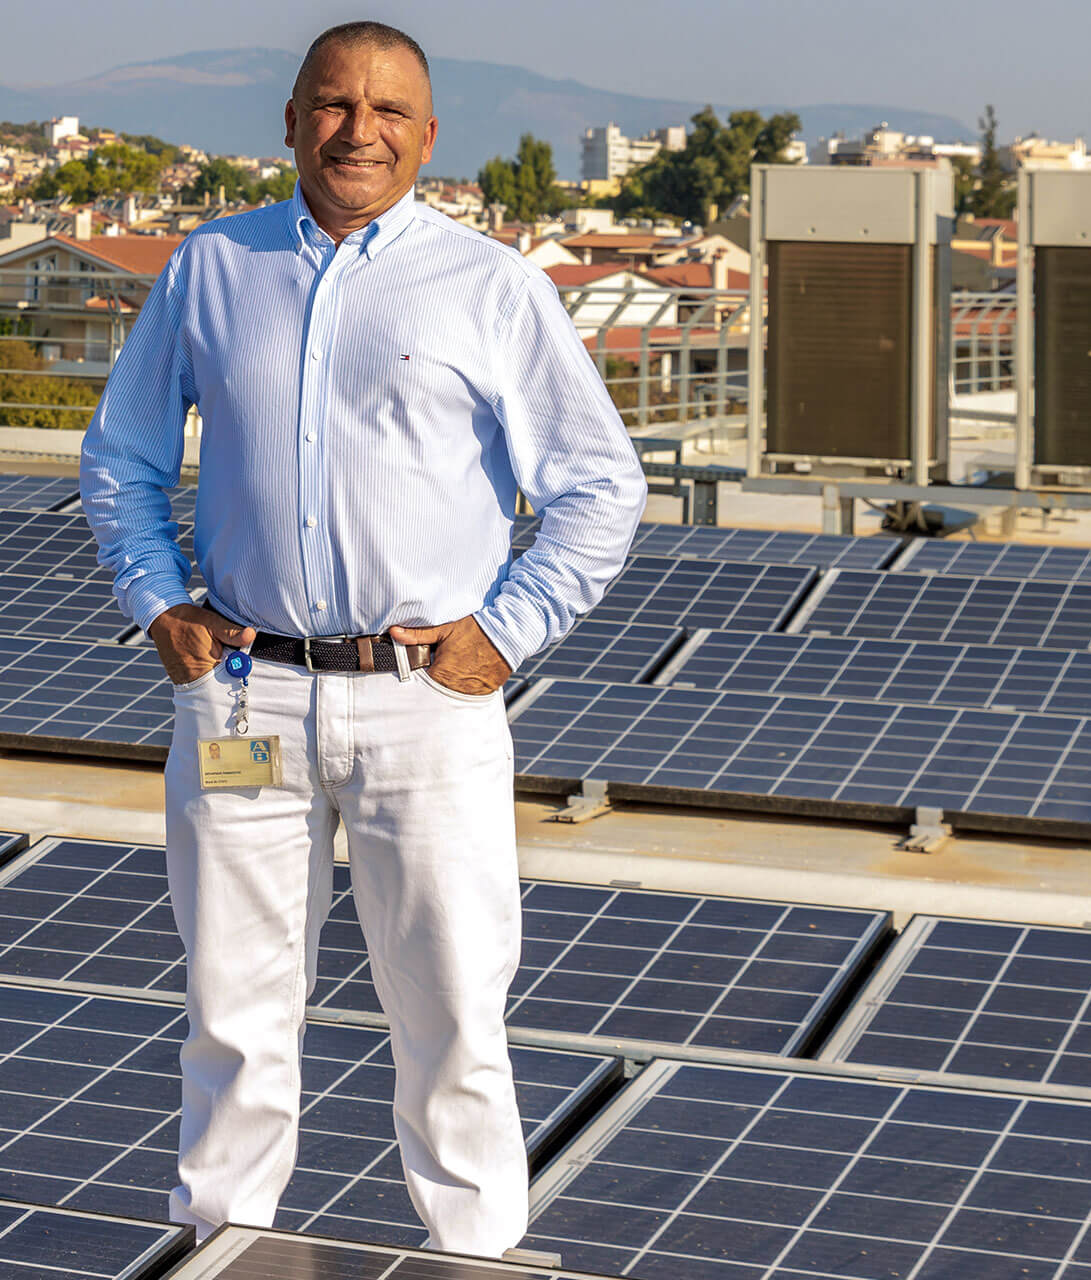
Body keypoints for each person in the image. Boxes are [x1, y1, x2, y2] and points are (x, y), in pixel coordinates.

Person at [79, 21, 645, 1254]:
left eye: (390, 110)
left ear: (429, 137)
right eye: (334, 104)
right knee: (234, 1013)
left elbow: (603, 487)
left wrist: (508, 630)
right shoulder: (210, 268)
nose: (360, 130)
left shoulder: (495, 288)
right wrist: (158, 602)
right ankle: (221, 1252)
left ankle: (471, 1259)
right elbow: (121, 458)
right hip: (243, 698)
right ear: (289, 121)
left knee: (451, 1016)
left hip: (424, 705)